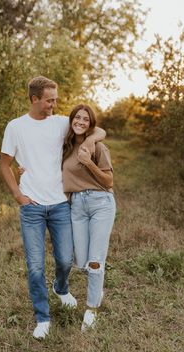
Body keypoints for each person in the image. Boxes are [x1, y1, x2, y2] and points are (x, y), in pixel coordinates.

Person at [0, 76, 106, 339]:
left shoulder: (60, 123)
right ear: (35, 99)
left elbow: (97, 130)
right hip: (32, 207)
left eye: (55, 99)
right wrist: (17, 195)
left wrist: (91, 142)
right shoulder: (15, 127)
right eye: (50, 100)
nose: (54, 104)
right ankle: (43, 318)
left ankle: (61, 287)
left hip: (60, 204)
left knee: (64, 259)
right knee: (35, 266)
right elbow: (4, 164)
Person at [62, 104, 116, 331]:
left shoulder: (98, 147)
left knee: (95, 261)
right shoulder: (64, 148)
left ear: (90, 123)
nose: (81, 122)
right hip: (77, 207)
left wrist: (89, 163)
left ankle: (91, 308)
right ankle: (97, 285)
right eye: (77, 117)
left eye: (86, 119)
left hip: (100, 203)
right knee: (81, 260)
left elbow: (108, 182)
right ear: (71, 120)